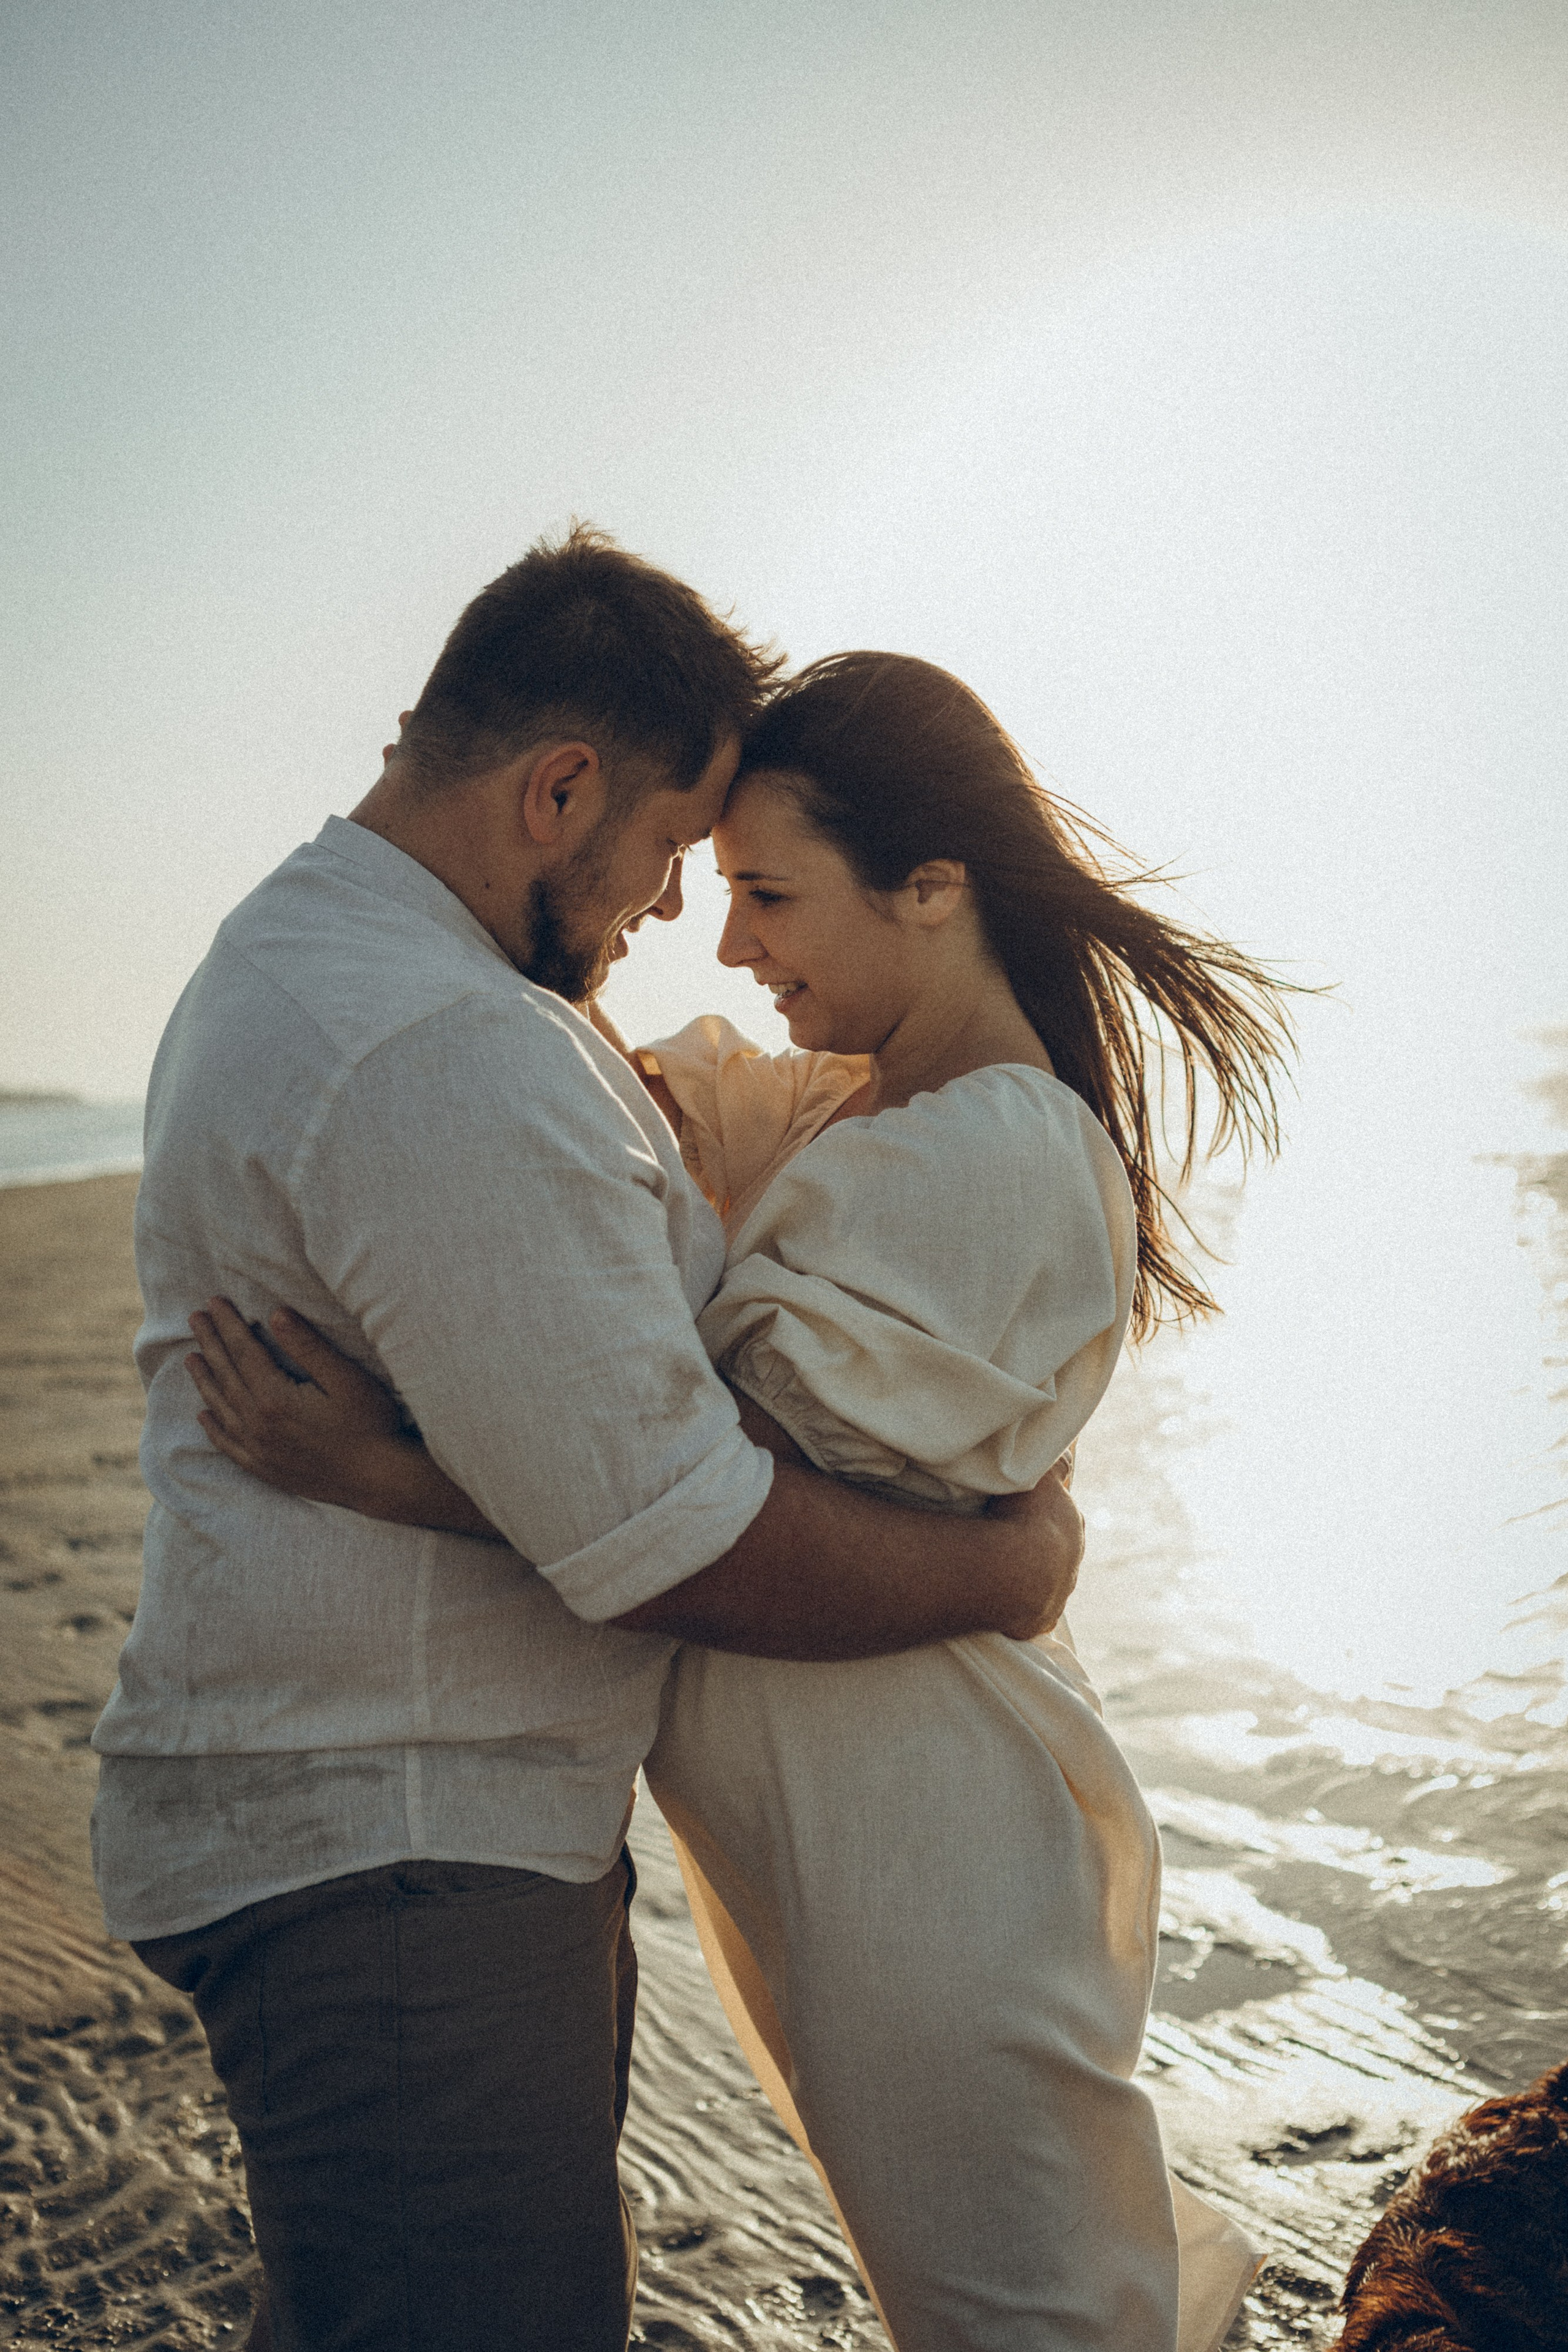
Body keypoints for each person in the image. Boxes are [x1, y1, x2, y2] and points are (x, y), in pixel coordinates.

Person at [187, 650, 1297, 2349]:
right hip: (830, 1823)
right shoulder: (851, 1101)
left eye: (769, 894)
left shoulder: (993, 1156)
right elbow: (623, 1113)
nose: (733, 942)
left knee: (1029, 2315)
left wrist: (381, 1474)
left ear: (932, 890)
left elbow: (695, 1480)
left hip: (922, 1827)